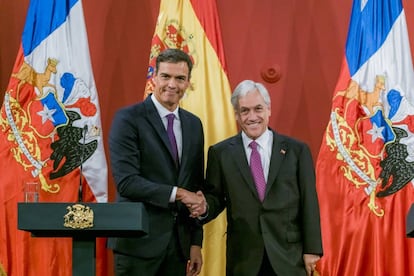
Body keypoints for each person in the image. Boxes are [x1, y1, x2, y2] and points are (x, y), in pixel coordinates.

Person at [192, 80, 323, 275]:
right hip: (244, 258)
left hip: (289, 256)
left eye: (258, 109)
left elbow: (309, 202)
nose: (252, 116)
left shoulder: (297, 150)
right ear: (236, 115)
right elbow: (215, 198)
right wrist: (204, 208)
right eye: (244, 111)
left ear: (269, 109)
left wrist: (312, 250)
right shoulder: (220, 153)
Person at [107, 48, 205, 276]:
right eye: (166, 76)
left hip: (178, 247)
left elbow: (195, 186)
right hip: (137, 243)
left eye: (179, 78)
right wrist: (179, 193)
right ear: (153, 77)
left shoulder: (194, 125)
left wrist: (195, 243)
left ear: (188, 83)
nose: (172, 84)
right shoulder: (128, 119)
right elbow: (127, 182)